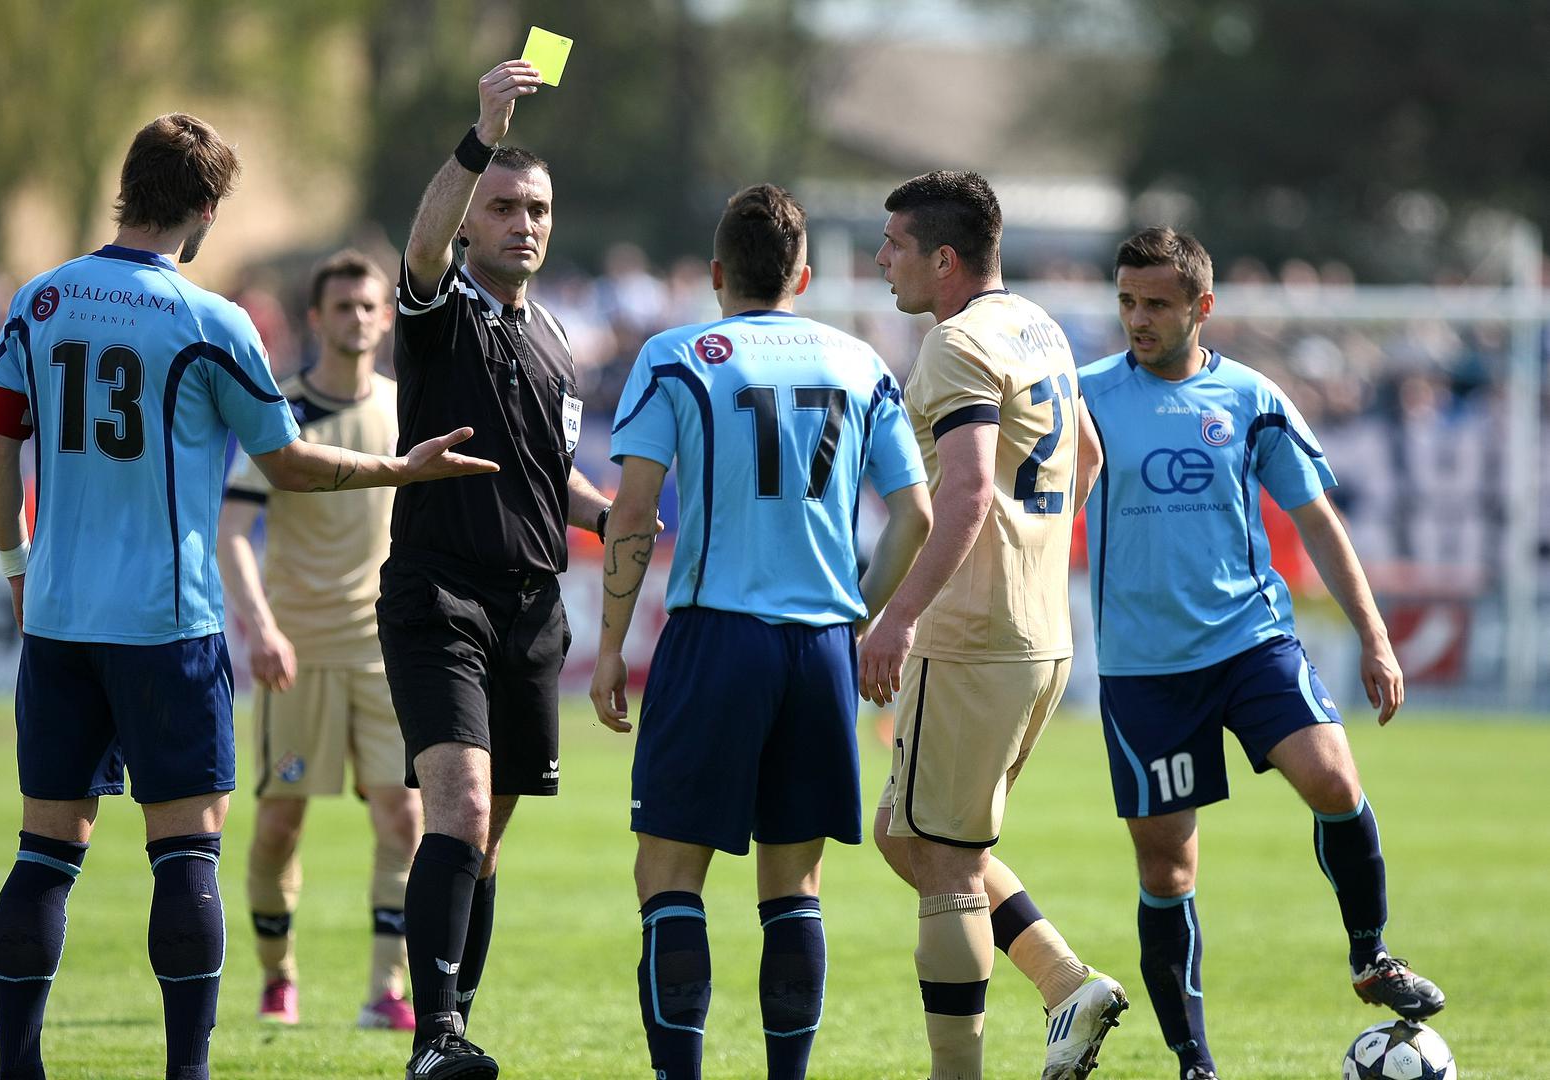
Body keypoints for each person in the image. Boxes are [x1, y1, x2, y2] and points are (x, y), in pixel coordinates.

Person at [0, 113, 496, 1080]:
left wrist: (17, 567)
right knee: (186, 854)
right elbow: (287, 463)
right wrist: (401, 469)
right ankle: (187, 1072)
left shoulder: (39, 301)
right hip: (167, 625)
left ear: (127, 186)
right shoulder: (210, 321)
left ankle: (17, 1069)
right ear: (209, 209)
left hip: (58, 621)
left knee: (43, 853)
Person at [1078, 226, 1444, 1080]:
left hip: (1250, 642)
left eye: (1156, 303)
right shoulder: (1084, 397)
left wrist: (1373, 635)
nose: (1137, 318)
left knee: (1334, 781)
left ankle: (1370, 954)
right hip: (1143, 669)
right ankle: (1194, 1062)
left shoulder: (1250, 398)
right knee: (1167, 869)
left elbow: (1316, 518)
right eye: (1126, 301)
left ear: (1201, 306)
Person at [589, 182, 932, 1080]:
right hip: (819, 648)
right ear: (803, 277)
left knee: (669, 875)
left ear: (716, 274)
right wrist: (859, 614)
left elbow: (633, 514)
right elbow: (915, 515)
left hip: (716, 636)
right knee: (794, 887)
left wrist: (612, 648)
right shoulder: (860, 362)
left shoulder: (676, 355)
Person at [859, 170, 1124, 1080]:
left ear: (943, 259)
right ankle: (1063, 982)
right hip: (1038, 631)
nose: (880, 259)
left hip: (970, 635)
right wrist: (1032, 551)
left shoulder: (955, 342)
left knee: (941, 861)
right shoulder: (1037, 325)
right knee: (908, 833)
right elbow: (1088, 455)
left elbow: (966, 493)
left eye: (894, 244)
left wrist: (897, 616)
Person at [379, 59, 613, 1080]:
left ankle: (453, 1030)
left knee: (488, 837)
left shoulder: (556, 340)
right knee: (461, 813)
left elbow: (553, 476)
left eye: (538, 209)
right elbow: (420, 245)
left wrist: (617, 514)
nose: (525, 223)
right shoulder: (440, 309)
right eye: (505, 207)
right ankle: (431, 1039)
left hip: (531, 609)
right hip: (438, 592)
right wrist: (480, 134)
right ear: (472, 222)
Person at [217, 250, 421, 1031]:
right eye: (342, 307)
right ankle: (278, 977)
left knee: (403, 820)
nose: (358, 319)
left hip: (383, 651)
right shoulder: (282, 411)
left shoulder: (406, 408)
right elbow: (232, 531)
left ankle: (386, 993)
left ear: (386, 316)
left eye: (369, 306)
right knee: (280, 825)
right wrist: (260, 626)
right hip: (296, 651)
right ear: (315, 318)